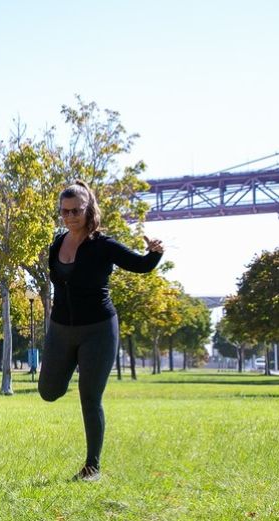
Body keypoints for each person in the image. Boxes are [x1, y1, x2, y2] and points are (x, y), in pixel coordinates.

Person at [38, 180, 164, 482]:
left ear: (88, 209)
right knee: (49, 391)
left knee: (90, 398)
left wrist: (155, 253)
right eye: (64, 212)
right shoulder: (58, 242)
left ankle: (92, 467)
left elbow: (141, 265)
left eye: (76, 211)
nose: (70, 217)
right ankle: (71, 368)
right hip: (60, 328)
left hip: (97, 329)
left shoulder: (103, 245)